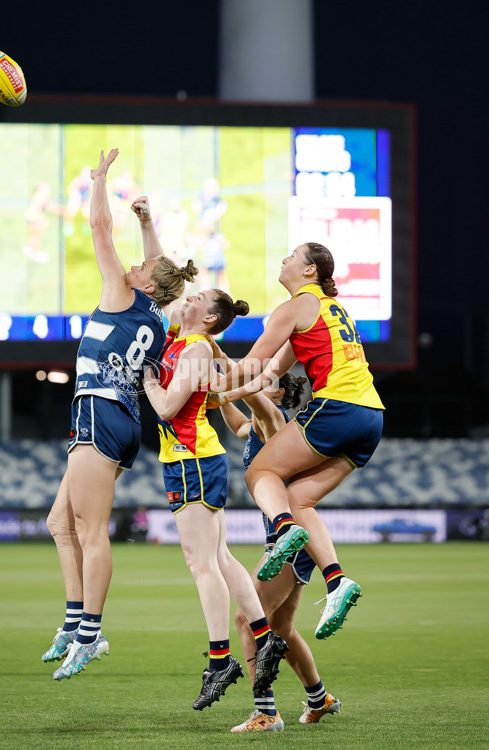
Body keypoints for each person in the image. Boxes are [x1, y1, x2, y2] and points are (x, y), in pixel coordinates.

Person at [41, 149, 197, 681]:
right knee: (60, 523)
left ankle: (90, 634)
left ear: (147, 283)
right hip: (122, 417)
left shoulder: (120, 291)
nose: (134, 263)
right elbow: (164, 270)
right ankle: (73, 622)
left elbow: (101, 229)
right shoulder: (159, 310)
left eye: (141, 265)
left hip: (101, 411)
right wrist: (150, 225)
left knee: (91, 532)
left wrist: (99, 182)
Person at [211, 242, 384, 640]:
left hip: (338, 405)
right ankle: (337, 581)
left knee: (260, 472)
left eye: (292, 255)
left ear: (310, 271)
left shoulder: (294, 307)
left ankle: (284, 529)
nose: (284, 259)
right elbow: (266, 375)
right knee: (299, 499)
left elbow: (251, 364)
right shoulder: (325, 310)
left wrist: (203, 385)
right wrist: (221, 395)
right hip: (371, 417)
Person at [141, 282, 289, 712]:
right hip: (191, 458)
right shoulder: (181, 340)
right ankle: (265, 638)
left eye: (198, 298)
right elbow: (221, 386)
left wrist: (149, 382)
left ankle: (220, 660)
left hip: (192, 460)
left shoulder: (196, 350)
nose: (189, 297)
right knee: (221, 558)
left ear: (208, 319)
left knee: (201, 563)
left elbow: (168, 408)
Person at [217, 373, 341, 730]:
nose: (256, 383)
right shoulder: (257, 427)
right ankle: (320, 700)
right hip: (289, 542)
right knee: (281, 626)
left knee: (245, 618)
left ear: (280, 393)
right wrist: (223, 396)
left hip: (287, 542)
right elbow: (238, 422)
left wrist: (221, 374)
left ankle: (266, 712)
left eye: (265, 379)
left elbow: (250, 397)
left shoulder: (276, 421)